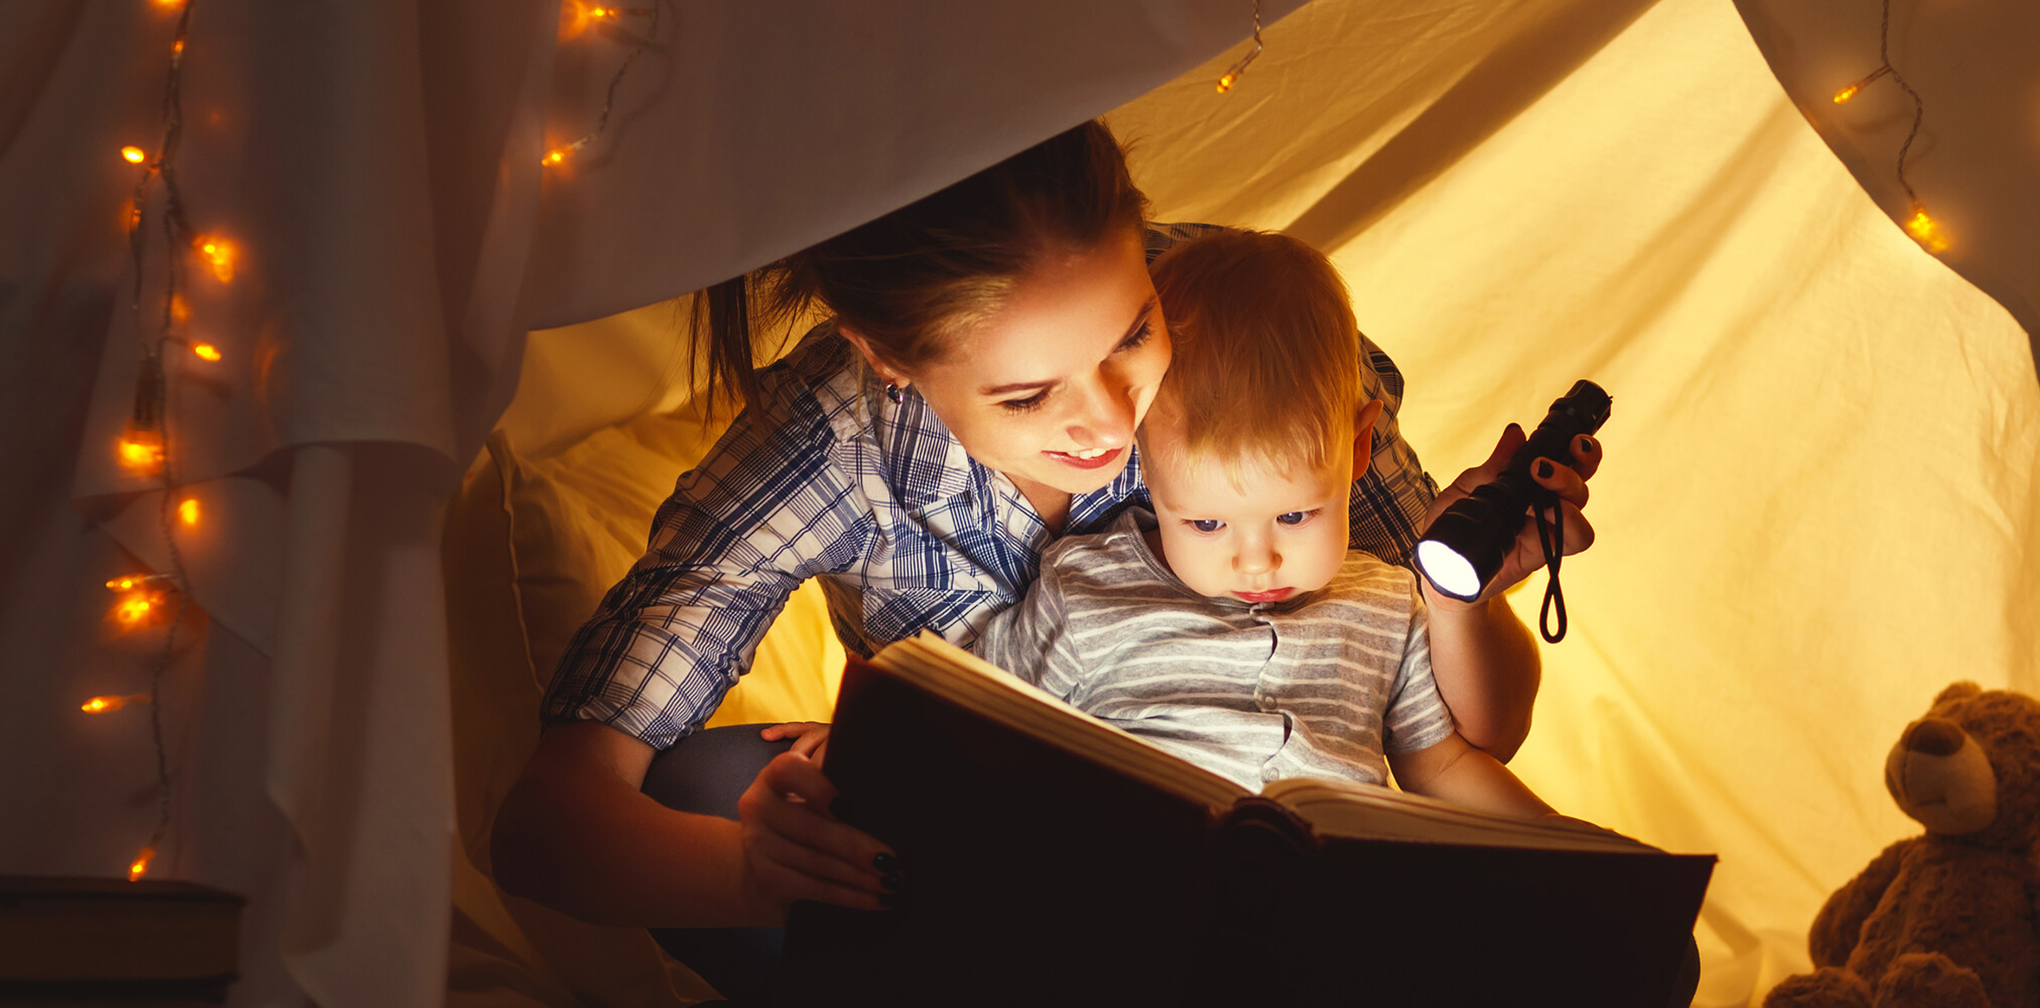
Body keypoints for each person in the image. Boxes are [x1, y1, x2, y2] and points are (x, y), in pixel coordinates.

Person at [489, 121, 1600, 994]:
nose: (1109, 421)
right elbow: (548, 825)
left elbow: (1456, 718)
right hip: (995, 894)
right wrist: (768, 865)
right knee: (714, 785)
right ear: (886, 358)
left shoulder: (1250, 333)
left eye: (1130, 337)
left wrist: (1479, 581)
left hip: (1263, 875)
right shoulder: (825, 445)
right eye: (1025, 395)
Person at [967, 229, 1557, 816]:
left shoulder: (1390, 604)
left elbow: (1443, 765)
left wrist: (1588, 852)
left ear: (1357, 451)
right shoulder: (1084, 592)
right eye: (1204, 524)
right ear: (1144, 463)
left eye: (1294, 514)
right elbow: (971, 735)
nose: (1256, 561)